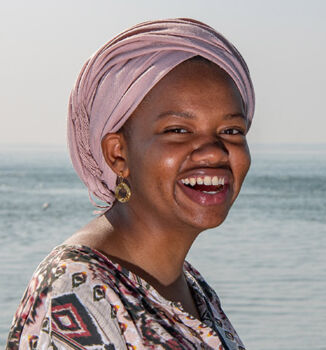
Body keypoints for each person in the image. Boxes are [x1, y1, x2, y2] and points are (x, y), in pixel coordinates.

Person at [7, 18, 254, 350]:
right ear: (118, 153)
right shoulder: (76, 292)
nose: (213, 151)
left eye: (231, 131)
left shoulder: (190, 287)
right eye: (178, 130)